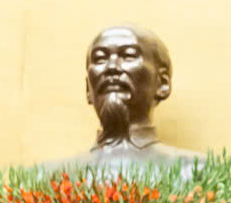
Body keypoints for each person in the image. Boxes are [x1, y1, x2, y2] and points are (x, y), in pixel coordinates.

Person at [43, 24, 204, 174]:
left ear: (162, 83)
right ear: (88, 88)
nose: (111, 67)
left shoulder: (196, 171)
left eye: (128, 56)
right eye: (100, 58)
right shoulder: (46, 177)